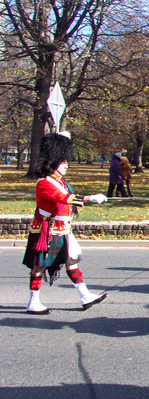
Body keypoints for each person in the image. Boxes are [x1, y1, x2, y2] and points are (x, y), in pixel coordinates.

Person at [22, 132, 108, 314]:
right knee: (39, 266)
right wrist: (90, 198)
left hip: (63, 229)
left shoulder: (60, 181)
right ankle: (33, 301)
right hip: (47, 230)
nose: (66, 166)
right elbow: (63, 198)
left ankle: (85, 295)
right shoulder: (44, 183)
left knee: (72, 262)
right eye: (62, 163)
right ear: (53, 163)